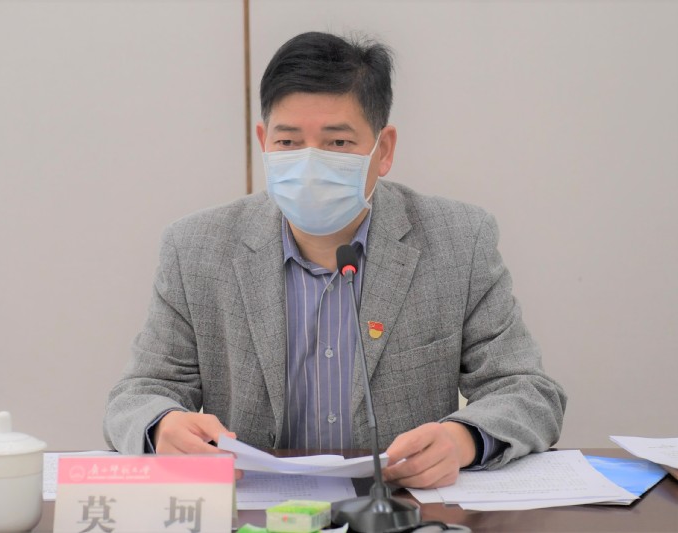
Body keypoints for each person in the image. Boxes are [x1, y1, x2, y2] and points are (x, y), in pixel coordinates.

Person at [104, 31, 566, 489]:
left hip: (400, 506)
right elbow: (138, 395)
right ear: (264, 141)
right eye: (288, 143)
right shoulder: (196, 248)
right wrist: (162, 426)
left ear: (383, 150)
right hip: (257, 508)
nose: (310, 164)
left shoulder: (458, 241)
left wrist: (461, 439)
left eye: (338, 143)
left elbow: (528, 391)